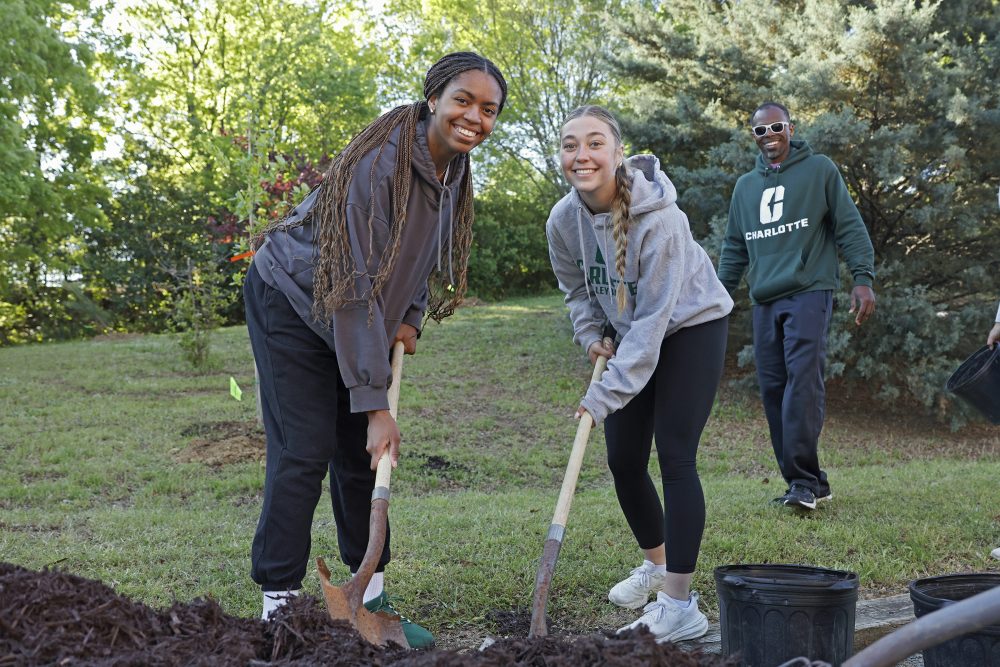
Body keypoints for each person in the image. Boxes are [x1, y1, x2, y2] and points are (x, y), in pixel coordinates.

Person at [243, 52, 507, 647]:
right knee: (304, 449)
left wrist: (410, 317)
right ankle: (279, 608)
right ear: (434, 97)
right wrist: (374, 406)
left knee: (362, 461)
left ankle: (368, 601)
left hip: (348, 310)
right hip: (294, 298)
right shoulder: (379, 164)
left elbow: (420, 256)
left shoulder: (451, 171)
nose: (474, 117)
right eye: (463, 100)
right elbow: (353, 285)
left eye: (488, 110)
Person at [546, 105, 733, 643]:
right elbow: (577, 291)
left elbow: (653, 325)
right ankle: (657, 563)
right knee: (624, 460)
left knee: (675, 456)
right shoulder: (563, 220)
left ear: (617, 151)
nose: (582, 154)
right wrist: (591, 336)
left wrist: (602, 396)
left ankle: (679, 604)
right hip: (632, 333)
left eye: (595, 143)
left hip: (691, 326)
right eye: (570, 144)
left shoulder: (662, 220)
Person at [717, 102, 876, 511]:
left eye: (776, 126)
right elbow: (734, 248)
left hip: (809, 290)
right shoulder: (745, 188)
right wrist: (717, 299)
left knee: (801, 384)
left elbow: (849, 225)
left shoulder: (819, 169)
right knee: (773, 390)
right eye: (759, 130)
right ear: (752, 136)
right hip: (765, 298)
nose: (768, 135)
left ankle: (802, 483)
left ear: (790, 127)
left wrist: (862, 279)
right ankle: (808, 482)